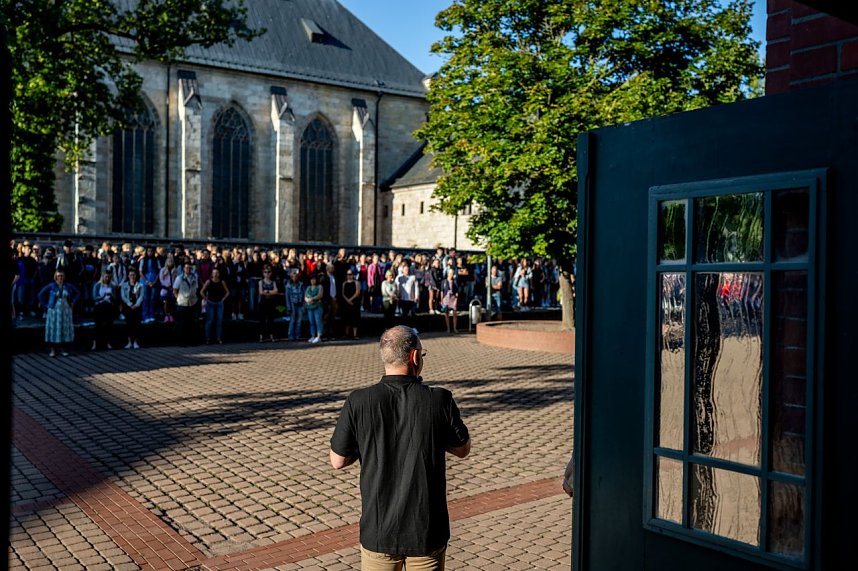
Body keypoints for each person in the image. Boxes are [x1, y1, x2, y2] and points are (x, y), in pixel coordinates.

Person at [330, 326, 471, 570]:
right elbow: (463, 448)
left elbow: (338, 460)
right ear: (415, 357)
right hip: (426, 532)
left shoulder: (359, 401)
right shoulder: (439, 400)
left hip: (379, 531)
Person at [37, 269, 80, 357]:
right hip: (54, 309)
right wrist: (46, 305)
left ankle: (63, 348)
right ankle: (52, 349)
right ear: (55, 277)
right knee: (54, 328)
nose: (60, 278)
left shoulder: (67, 286)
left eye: (61, 276)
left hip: (65, 309)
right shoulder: (52, 285)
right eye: (58, 276)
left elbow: (78, 293)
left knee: (63, 328)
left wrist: (73, 301)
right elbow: (40, 294)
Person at [200, 267, 230, 344]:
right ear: (212, 274)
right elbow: (201, 292)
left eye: (217, 272)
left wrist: (223, 299)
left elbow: (227, 292)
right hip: (210, 303)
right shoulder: (208, 282)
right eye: (214, 273)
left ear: (219, 274)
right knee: (209, 321)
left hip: (219, 303)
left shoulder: (222, 282)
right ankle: (208, 338)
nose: (215, 274)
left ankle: (218, 338)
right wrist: (206, 299)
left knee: (219, 321)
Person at [91, 271, 116, 350]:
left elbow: (115, 298)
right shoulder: (97, 285)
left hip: (108, 306)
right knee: (97, 325)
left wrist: (111, 295)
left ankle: (108, 342)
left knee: (109, 325)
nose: (107, 278)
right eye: (106, 277)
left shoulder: (112, 286)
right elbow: (94, 297)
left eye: (109, 277)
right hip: (99, 305)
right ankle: (95, 343)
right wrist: (103, 296)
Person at [120, 269, 144, 349]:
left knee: (136, 324)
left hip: (136, 306)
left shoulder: (140, 285)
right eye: (130, 275)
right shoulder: (124, 285)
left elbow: (141, 296)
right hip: (128, 306)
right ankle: (129, 341)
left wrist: (136, 305)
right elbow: (123, 296)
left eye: (133, 275)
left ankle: (136, 341)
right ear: (128, 276)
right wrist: (129, 304)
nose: (132, 277)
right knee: (129, 324)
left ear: (136, 276)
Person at [258, 265, 280, 342]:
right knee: (262, 320)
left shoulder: (273, 282)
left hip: (271, 303)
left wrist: (267, 292)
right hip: (263, 302)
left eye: (268, 272)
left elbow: (276, 291)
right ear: (263, 273)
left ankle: (271, 336)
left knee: (271, 319)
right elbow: (261, 292)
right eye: (265, 272)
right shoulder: (261, 282)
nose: (267, 273)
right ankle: (261, 336)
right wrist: (271, 292)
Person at [304, 272, 324, 343]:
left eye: (314, 279)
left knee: (318, 321)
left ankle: (319, 336)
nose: (313, 281)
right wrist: (308, 300)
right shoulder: (308, 287)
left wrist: (312, 299)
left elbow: (320, 295)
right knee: (311, 322)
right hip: (310, 306)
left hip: (317, 306)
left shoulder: (319, 286)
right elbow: (305, 296)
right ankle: (312, 335)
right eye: (311, 279)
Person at [341, 269, 361, 339]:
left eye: (350, 274)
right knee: (347, 318)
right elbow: (343, 293)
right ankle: (346, 334)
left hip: (354, 303)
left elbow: (357, 292)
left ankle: (355, 335)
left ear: (353, 275)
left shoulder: (356, 282)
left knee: (355, 318)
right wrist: (347, 300)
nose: (349, 276)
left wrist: (350, 299)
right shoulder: (344, 283)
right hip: (346, 303)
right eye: (348, 274)